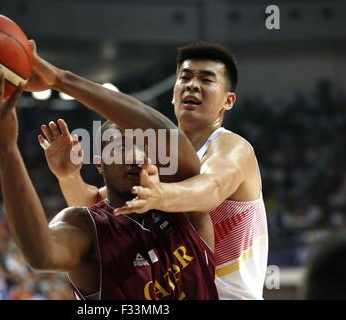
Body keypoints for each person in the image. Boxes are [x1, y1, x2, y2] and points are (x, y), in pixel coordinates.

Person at [0, 56, 218, 299]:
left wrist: (61, 79)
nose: (136, 156)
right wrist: (6, 147)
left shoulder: (186, 205)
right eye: (121, 147)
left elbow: (170, 138)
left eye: (143, 145)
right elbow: (41, 253)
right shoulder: (87, 227)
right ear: (99, 163)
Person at [38, 42, 269, 299]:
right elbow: (97, 208)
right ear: (173, 94)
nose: (192, 84)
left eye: (206, 79)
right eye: (185, 77)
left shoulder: (231, 147)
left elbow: (211, 188)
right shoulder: (156, 156)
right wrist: (68, 176)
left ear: (228, 100)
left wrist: (161, 195)